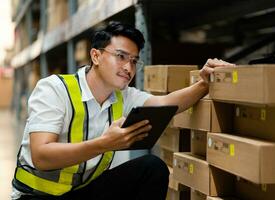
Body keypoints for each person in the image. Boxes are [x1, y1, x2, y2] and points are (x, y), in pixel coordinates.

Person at [11, 21, 234, 200]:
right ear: (96, 56)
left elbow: (167, 104)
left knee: (152, 167)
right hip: (35, 195)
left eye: (134, 61)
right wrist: (104, 144)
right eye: (120, 57)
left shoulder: (123, 95)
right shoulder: (54, 89)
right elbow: (41, 156)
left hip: (81, 192)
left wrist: (204, 83)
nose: (129, 67)